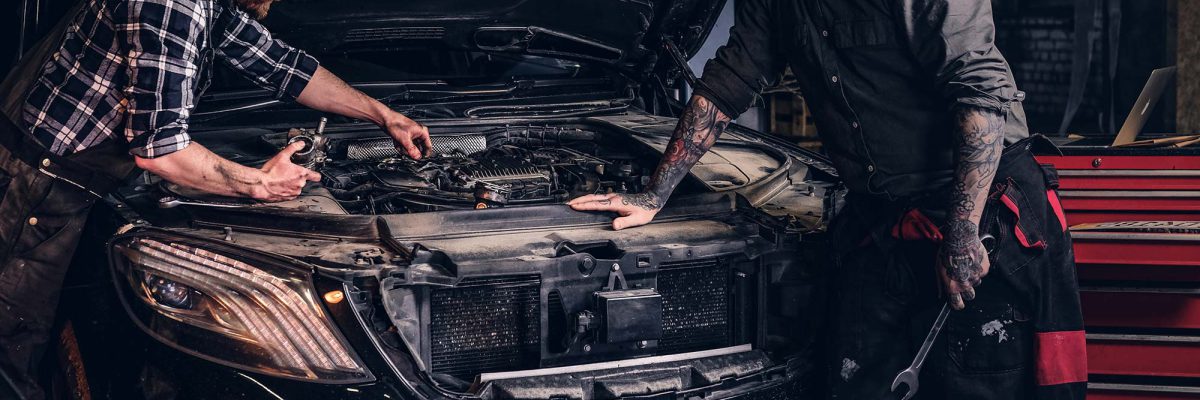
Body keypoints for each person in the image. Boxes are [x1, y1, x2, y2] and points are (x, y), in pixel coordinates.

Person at [568, 1, 1086, 399]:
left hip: (981, 214)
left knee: (977, 381)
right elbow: (730, 80)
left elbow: (980, 93)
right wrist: (655, 194)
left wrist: (961, 234)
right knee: (855, 378)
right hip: (883, 221)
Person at [0, 0, 430, 397]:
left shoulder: (210, 5)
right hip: (31, 184)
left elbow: (283, 66)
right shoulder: (171, 3)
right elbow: (160, 148)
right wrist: (259, 183)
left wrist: (384, 115)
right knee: (13, 340)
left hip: (67, 177)